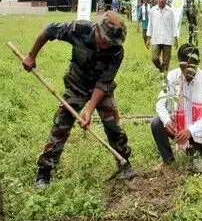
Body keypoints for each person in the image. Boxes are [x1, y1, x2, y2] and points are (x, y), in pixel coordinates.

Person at [23, 11, 133, 188]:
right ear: (97, 29)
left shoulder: (117, 51)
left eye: (110, 42)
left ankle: (124, 161)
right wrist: (31, 56)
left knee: (112, 126)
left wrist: (89, 109)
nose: (106, 45)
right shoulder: (78, 29)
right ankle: (44, 171)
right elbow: (49, 30)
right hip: (76, 84)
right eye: (104, 39)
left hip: (101, 90)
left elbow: (104, 83)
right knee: (61, 124)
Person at [150, 43, 202, 166]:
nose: (188, 71)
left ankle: (193, 145)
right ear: (180, 63)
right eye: (184, 66)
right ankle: (168, 160)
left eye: (192, 66)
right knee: (156, 122)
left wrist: (190, 131)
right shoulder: (172, 77)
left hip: (200, 129)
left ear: (197, 64)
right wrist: (167, 121)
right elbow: (160, 103)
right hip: (177, 127)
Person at [147, 0, 178, 73]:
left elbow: (173, 25)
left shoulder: (170, 11)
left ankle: (164, 77)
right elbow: (150, 25)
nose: (162, 0)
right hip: (156, 38)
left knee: (166, 61)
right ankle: (161, 69)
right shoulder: (153, 10)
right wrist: (148, 38)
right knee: (154, 58)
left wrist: (175, 38)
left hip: (167, 39)